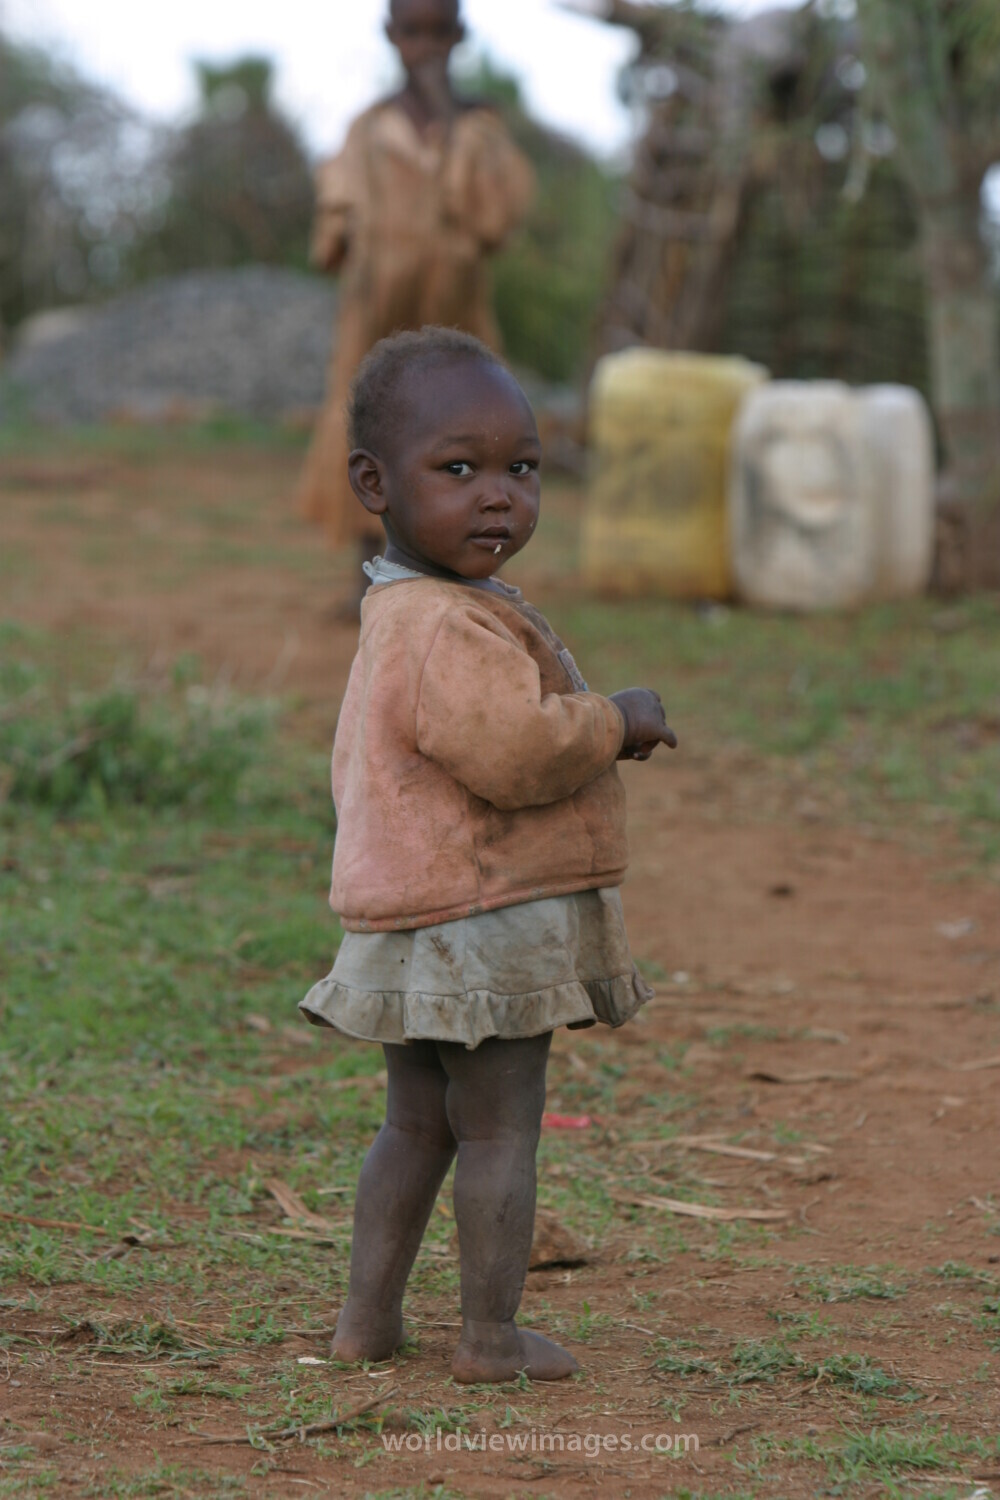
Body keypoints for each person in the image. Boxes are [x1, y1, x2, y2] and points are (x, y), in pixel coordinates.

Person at [300, 327, 677, 1384]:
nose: (499, 496)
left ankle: (366, 1323)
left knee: (414, 1126)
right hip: (482, 918)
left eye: (521, 467)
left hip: (422, 920)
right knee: (500, 1129)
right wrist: (616, 718)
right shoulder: (444, 627)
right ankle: (487, 1338)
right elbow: (515, 754)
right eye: (458, 470)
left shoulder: (408, 608)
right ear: (374, 483)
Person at [297, 0, 535, 589]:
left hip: (457, 311)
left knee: (462, 425)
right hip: (376, 312)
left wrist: (449, 122)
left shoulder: (480, 130)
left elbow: (497, 220)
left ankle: (458, 573)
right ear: (390, 36)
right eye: (412, 33)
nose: (425, 46)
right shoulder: (369, 129)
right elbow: (333, 225)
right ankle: (366, 577)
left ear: (459, 36)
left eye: (438, 33)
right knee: (363, 419)